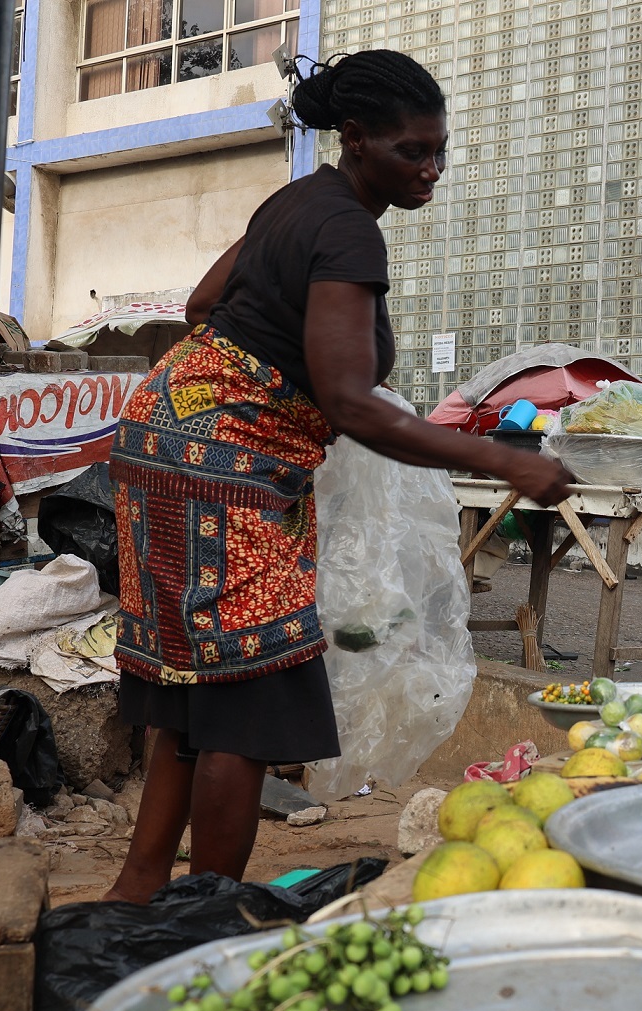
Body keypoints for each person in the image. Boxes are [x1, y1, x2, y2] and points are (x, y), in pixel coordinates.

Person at [102, 51, 571, 905]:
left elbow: (203, 310)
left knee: (191, 690)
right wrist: (505, 458)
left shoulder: (295, 201)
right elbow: (353, 404)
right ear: (355, 140)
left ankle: (139, 894)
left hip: (161, 436)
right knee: (246, 702)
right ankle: (205, 918)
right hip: (223, 468)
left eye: (440, 153)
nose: (429, 171)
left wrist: (282, 389)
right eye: (410, 152)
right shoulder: (350, 229)